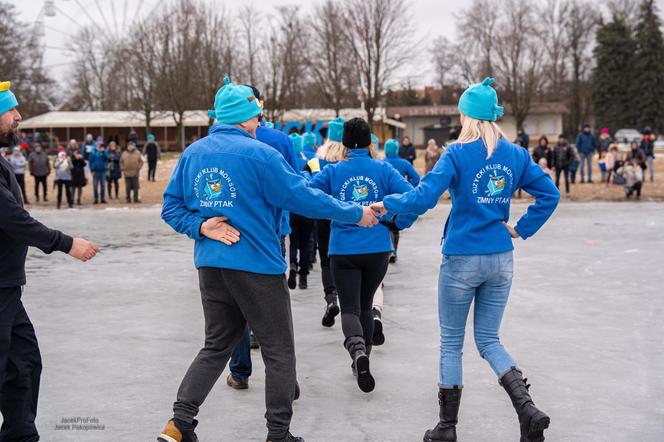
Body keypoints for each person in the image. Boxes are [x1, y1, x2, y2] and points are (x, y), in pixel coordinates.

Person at [157, 77, 378, 442]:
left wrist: (199, 227)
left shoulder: (193, 153)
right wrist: (355, 213)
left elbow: (171, 207)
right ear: (245, 118)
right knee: (278, 350)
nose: (260, 122)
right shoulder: (261, 155)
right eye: (257, 116)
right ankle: (279, 433)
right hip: (257, 266)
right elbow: (303, 199)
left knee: (216, 345)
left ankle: (179, 423)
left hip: (212, 267)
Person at [372, 77, 559, 442]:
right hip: (500, 258)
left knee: (451, 343)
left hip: (462, 258)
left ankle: (446, 428)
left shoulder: (456, 153)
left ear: (466, 117)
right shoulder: (516, 154)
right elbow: (549, 195)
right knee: (489, 339)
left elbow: (424, 197)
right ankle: (527, 409)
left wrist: (387, 204)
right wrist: (520, 228)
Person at [0, 80, 99, 442]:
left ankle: (20, 435)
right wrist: (66, 243)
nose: (18, 116)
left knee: (24, 363)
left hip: (8, 286)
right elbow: (12, 218)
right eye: (11, 111)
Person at [309, 118, 416, 393]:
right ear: (370, 142)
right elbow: (414, 196)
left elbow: (306, 194)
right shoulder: (383, 169)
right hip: (378, 248)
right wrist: (398, 222)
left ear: (344, 144)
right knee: (366, 306)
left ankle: (357, 351)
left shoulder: (333, 172)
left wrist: (330, 210)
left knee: (350, 308)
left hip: (344, 250)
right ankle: (363, 356)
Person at [315, 117, 346, 327]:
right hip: (346, 215)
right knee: (344, 259)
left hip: (323, 215)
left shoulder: (318, 159)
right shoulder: (348, 159)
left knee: (326, 261)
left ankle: (330, 298)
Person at [383, 138, 420, 264]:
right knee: (395, 227)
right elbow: (416, 178)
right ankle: (395, 251)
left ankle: (388, 249)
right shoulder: (404, 163)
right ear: (397, 150)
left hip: (384, 199)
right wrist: (408, 188)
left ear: (385, 150)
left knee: (385, 225)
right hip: (400, 198)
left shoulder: (381, 163)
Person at [287, 134, 314, 290]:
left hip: (293, 208)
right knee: (305, 244)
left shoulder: (287, 161)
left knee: (294, 242)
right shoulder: (309, 161)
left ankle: (292, 264)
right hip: (307, 208)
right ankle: (303, 277)